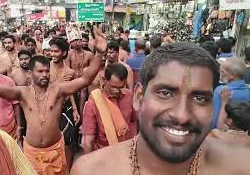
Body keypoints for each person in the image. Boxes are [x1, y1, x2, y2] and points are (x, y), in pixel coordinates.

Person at [71, 42, 250, 175]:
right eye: (165, 93)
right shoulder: (92, 170)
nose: (182, 115)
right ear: (139, 97)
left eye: (200, 98)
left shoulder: (240, 166)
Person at [0, 27, 107, 175]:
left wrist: (99, 53)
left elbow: (86, 79)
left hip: (54, 151)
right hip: (32, 153)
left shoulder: (58, 90)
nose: (45, 75)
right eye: (40, 71)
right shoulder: (23, 92)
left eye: (47, 71)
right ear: (31, 73)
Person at [82, 63, 138, 154]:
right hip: (105, 156)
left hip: (128, 153)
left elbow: (134, 120)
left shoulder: (129, 96)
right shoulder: (94, 103)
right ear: (104, 80)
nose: (116, 91)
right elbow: (88, 142)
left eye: (120, 87)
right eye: (113, 87)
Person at [49, 37, 80, 172]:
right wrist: (60, 82)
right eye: (51, 51)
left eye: (56, 51)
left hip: (66, 109)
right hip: (50, 108)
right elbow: (43, 89)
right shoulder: (45, 68)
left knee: (68, 141)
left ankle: (67, 169)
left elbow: (71, 91)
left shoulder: (70, 72)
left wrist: (75, 109)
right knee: (52, 141)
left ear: (64, 53)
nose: (53, 54)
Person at [212, 57, 250, 129]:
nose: (220, 73)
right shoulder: (248, 91)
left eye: (222, 71)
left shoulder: (221, 91)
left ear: (232, 75)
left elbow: (214, 122)